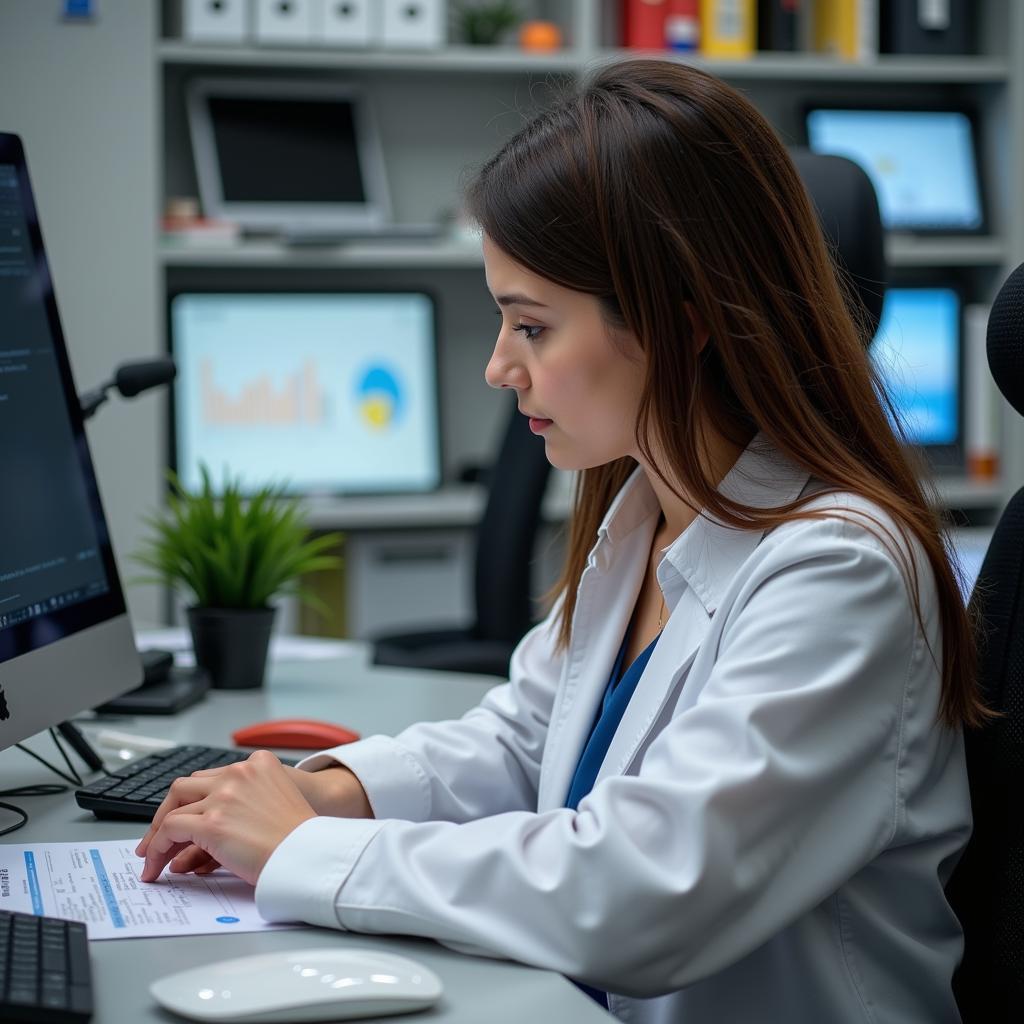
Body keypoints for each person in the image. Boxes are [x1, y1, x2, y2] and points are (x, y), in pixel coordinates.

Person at [137, 60, 986, 1022]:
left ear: (684, 322)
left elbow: (644, 891)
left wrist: (304, 850)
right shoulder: (646, 515)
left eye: (530, 327)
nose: (501, 369)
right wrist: (327, 794)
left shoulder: (841, 571)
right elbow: (528, 740)